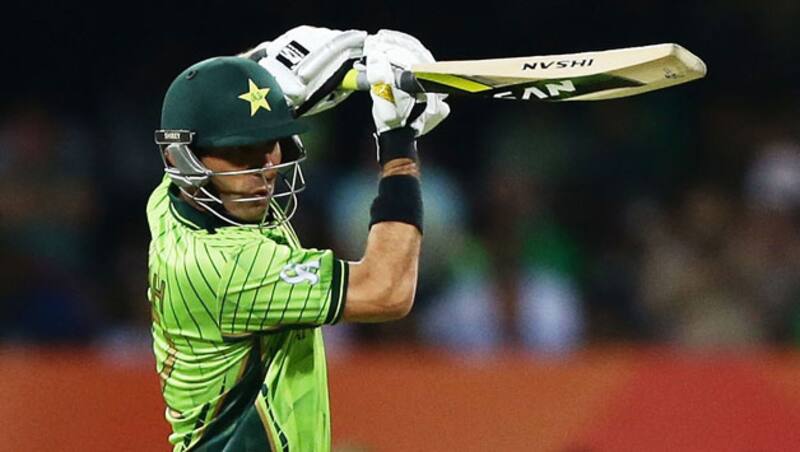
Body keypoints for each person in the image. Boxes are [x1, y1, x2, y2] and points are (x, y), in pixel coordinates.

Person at [147, 26, 449, 451]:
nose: (265, 170)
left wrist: (266, 62)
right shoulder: (222, 266)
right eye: (239, 153)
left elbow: (198, 104)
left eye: (267, 143)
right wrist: (400, 142)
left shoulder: (172, 196)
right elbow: (386, 289)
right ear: (181, 159)